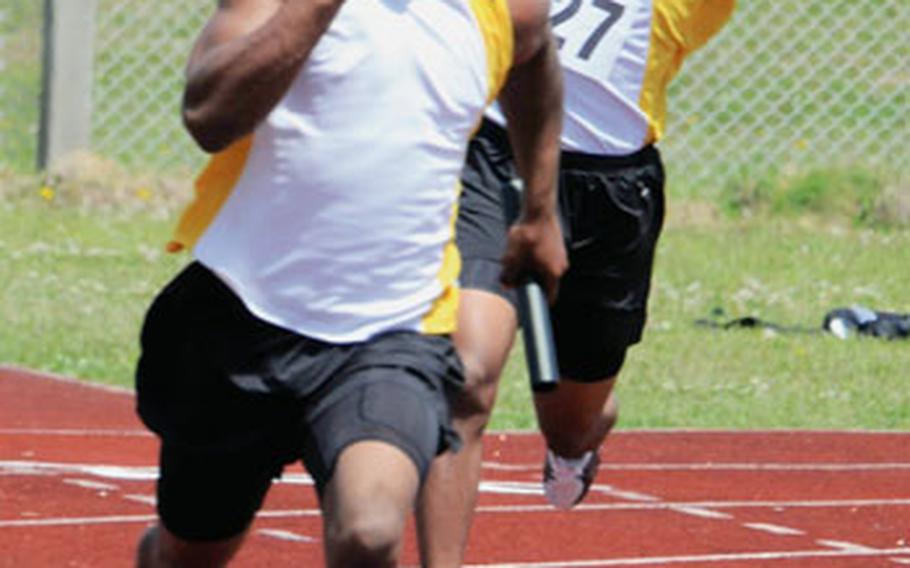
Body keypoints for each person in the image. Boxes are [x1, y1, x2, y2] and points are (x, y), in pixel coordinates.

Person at [133, 0, 565, 566]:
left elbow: (535, 65)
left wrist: (538, 210)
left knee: (370, 530)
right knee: (187, 554)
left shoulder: (504, 13)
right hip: (242, 317)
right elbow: (207, 116)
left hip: (392, 332)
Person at [417, 0, 736, 563]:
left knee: (569, 423)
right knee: (466, 377)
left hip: (610, 190)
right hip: (497, 156)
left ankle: (581, 439)